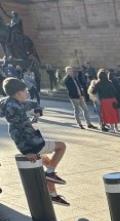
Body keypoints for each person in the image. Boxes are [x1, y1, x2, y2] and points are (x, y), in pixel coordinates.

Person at [0, 77, 69, 206]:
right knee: (61, 146)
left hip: (30, 141)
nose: (27, 93)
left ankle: (53, 194)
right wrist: (26, 152)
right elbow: (18, 133)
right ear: (18, 93)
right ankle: (50, 175)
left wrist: (37, 109)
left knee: (48, 162)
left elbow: (31, 103)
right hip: (31, 143)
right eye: (25, 91)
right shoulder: (15, 108)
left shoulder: (9, 101)